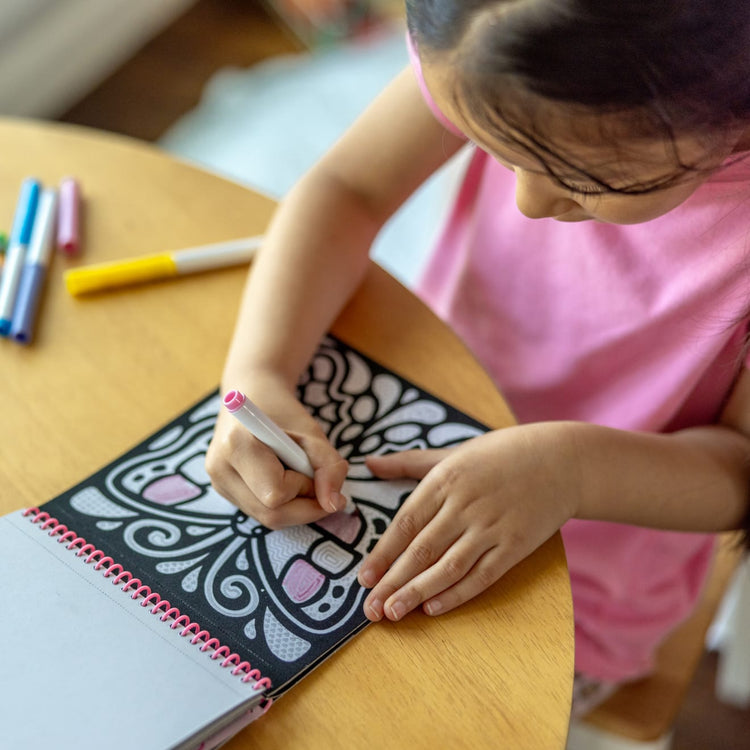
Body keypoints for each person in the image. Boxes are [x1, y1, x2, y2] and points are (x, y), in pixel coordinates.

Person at [205, 0, 750, 715]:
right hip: (405, 421)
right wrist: (259, 372)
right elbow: (349, 188)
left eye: (587, 179)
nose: (525, 202)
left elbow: (739, 468)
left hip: (580, 584)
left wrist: (570, 470)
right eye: (490, 148)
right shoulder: (488, 34)